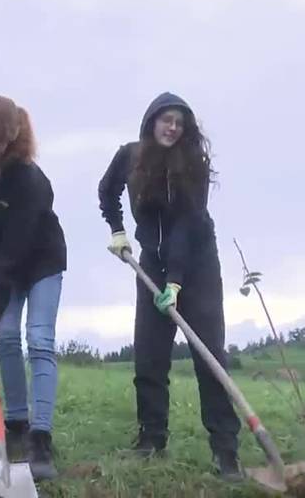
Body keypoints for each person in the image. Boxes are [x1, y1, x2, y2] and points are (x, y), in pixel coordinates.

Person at [98, 92, 243, 482]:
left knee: (208, 355)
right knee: (149, 355)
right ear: (151, 122)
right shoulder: (129, 156)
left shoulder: (194, 164)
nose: (172, 127)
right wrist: (117, 230)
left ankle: (226, 450)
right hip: (150, 262)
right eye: (166, 119)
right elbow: (106, 191)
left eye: (179, 122)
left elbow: (188, 225)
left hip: (197, 266)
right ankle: (151, 439)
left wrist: (176, 281)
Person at [0, 94, 67, 481]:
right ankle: (16, 427)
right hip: (7, 258)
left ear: (12, 140)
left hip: (40, 261)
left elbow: (13, 250)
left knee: (38, 339)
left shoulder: (29, 179)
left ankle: (40, 438)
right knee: (6, 337)